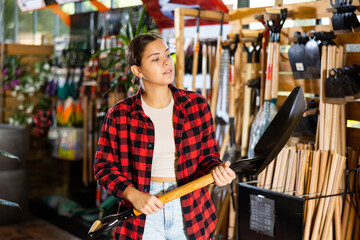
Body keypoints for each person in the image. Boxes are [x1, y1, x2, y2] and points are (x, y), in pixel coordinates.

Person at [94, 33, 235, 240]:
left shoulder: (196, 105)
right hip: (143, 211)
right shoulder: (120, 115)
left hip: (190, 208)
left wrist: (217, 171)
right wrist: (134, 195)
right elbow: (103, 168)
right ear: (137, 70)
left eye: (167, 55)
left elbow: (208, 158)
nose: (166, 62)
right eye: (155, 59)